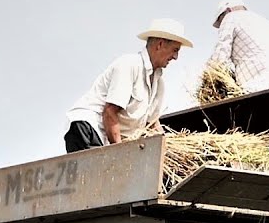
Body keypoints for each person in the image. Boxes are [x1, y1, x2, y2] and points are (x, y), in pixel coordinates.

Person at [64, 18, 192, 152]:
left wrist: (167, 149)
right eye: (175, 50)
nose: (176, 57)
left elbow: (152, 123)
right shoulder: (128, 65)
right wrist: (122, 153)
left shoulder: (158, 83)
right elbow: (109, 112)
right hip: (88, 129)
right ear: (160, 44)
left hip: (107, 139)